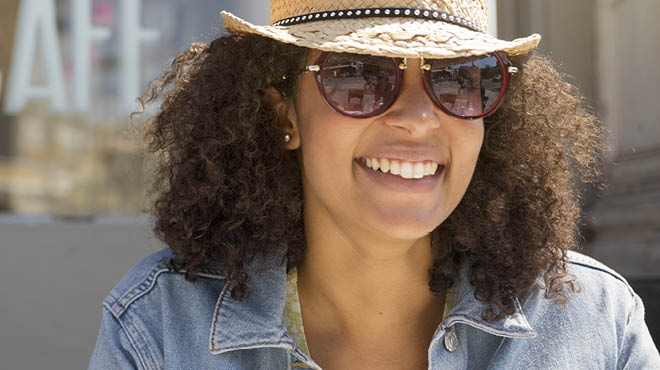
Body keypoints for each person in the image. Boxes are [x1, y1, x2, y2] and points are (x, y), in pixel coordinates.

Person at [88, 0, 660, 369]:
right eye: (358, 74)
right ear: (285, 115)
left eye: (460, 80)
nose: (417, 118)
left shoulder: (595, 324)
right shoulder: (160, 326)